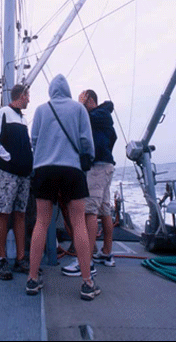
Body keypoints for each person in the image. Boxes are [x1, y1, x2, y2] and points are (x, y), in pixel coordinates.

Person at [26, 74, 101, 301]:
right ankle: (87, 282)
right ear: (68, 90)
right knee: (78, 223)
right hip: (72, 170)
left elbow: (34, 140)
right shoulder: (78, 110)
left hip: (44, 169)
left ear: (50, 91)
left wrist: (40, 160)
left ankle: (31, 279)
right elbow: (86, 141)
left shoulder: (40, 110)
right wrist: (85, 164)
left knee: (41, 222)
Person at [61, 89, 117, 278]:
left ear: (90, 100)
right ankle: (107, 254)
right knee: (105, 210)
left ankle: (86, 260)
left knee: (89, 211)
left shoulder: (95, 115)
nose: (79, 104)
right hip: (107, 165)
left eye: (81, 100)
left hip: (97, 167)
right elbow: (112, 138)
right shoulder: (104, 116)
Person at [0, 85, 33, 280]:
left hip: (24, 174)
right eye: (28, 96)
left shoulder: (23, 119)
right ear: (21, 96)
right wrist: (10, 159)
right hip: (8, 173)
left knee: (20, 214)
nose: (29, 100)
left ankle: (21, 258)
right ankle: (1, 260)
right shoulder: (4, 113)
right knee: (3, 214)